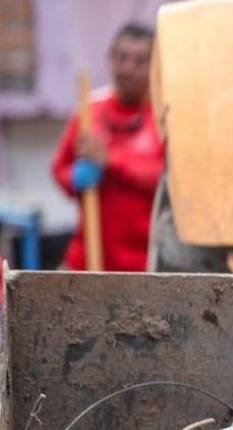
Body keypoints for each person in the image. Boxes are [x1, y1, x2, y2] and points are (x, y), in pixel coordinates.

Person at [50, 22, 164, 272]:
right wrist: (75, 178)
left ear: (156, 65)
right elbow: (59, 169)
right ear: (110, 58)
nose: (127, 68)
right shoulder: (90, 111)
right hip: (87, 262)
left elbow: (170, 183)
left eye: (139, 61)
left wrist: (111, 161)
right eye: (121, 57)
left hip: (148, 269)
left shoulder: (165, 115)